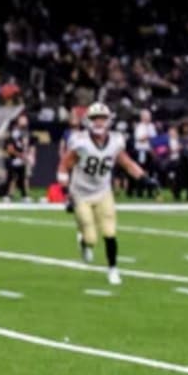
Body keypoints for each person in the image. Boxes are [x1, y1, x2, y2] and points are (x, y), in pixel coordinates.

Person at [56, 103, 156, 285]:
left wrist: (143, 178)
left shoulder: (116, 141)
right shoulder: (80, 141)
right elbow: (64, 164)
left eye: (102, 118)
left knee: (110, 231)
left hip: (103, 191)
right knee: (91, 237)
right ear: (88, 121)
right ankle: (84, 242)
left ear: (109, 120)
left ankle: (113, 268)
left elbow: (126, 162)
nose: (99, 122)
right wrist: (65, 191)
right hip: (80, 193)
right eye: (95, 118)